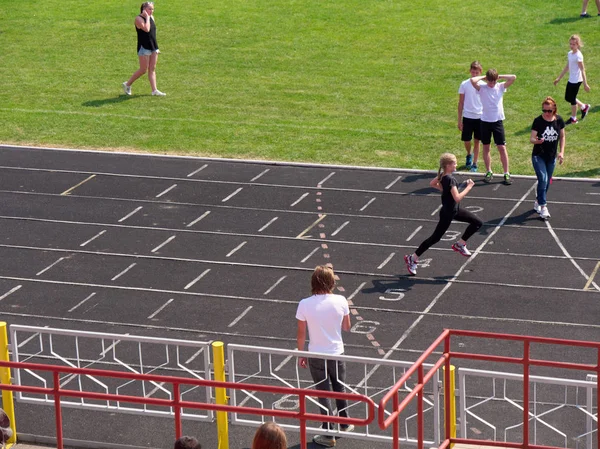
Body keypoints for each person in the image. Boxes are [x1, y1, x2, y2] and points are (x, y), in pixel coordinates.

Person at [296, 265, 353, 448]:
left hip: (316, 354)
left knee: (323, 392)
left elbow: (301, 333)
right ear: (331, 282)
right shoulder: (341, 300)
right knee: (339, 388)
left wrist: (301, 354)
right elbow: (346, 327)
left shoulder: (305, 304)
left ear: (313, 282)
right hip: (337, 352)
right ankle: (344, 423)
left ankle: (329, 432)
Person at [404, 153, 483, 276]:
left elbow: (432, 184)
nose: (456, 165)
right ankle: (412, 258)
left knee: (477, 222)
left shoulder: (444, 176)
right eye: (454, 163)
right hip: (448, 213)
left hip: (453, 211)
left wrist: (445, 191)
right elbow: (457, 198)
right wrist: (469, 187)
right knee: (435, 238)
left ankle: (460, 244)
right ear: (448, 165)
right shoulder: (450, 179)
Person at [470, 69, 517, 185]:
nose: (492, 84)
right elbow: (472, 80)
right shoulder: (482, 88)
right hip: (485, 122)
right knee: (486, 147)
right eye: (490, 82)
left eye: (493, 82)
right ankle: (489, 171)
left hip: (497, 122)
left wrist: (499, 77)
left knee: (502, 147)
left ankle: (506, 173)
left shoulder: (500, 87)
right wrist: (483, 78)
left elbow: (513, 77)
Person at [529, 97, 565, 220]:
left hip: (551, 156)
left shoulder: (559, 120)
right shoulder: (538, 121)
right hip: (538, 155)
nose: (546, 113)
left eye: (549, 111)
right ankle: (543, 206)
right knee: (543, 179)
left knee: (547, 181)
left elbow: (562, 136)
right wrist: (537, 141)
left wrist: (561, 152)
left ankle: (538, 201)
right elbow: (531, 139)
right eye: (544, 110)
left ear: (554, 109)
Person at [123, 2, 166, 96]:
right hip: (144, 47)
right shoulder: (138, 19)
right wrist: (147, 17)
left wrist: (156, 47)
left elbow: (153, 32)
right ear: (144, 9)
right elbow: (146, 29)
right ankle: (127, 84)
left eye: (153, 9)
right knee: (143, 70)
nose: (152, 11)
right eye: (150, 9)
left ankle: (154, 90)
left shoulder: (152, 17)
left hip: (153, 46)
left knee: (152, 68)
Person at [553, 35, 590, 125]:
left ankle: (573, 118)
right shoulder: (570, 54)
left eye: (573, 44)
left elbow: (582, 70)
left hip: (577, 80)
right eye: (570, 44)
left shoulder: (578, 56)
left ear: (578, 45)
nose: (571, 46)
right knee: (568, 97)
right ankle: (583, 107)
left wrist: (585, 84)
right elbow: (567, 67)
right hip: (571, 79)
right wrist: (559, 78)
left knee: (572, 99)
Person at [458, 61, 483, 172]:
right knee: (467, 140)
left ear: (480, 72)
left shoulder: (483, 84)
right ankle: (469, 154)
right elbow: (461, 102)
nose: (474, 74)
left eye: (476, 72)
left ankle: (475, 163)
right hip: (467, 116)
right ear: (470, 71)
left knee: (477, 141)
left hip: (480, 117)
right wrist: (459, 120)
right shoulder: (464, 84)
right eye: (473, 72)